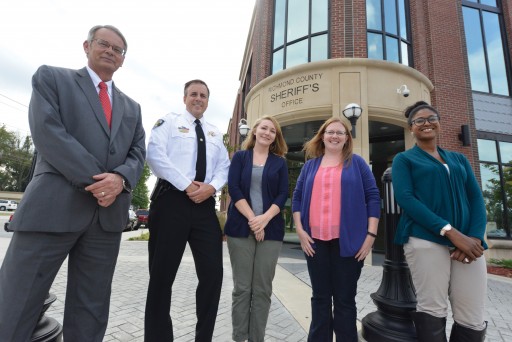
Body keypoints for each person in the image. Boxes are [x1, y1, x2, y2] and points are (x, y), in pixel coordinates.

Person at [0, 25, 146, 341]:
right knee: (16, 302)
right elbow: (49, 134)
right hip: (52, 209)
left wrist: (120, 179)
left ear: (122, 60)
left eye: (118, 49)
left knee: (91, 309)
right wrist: (102, 182)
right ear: (87, 46)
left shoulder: (132, 108)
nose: (110, 51)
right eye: (104, 44)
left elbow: (137, 153)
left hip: (104, 221)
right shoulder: (52, 79)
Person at [392, 101, 487, 342]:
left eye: (431, 118)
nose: (426, 123)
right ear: (411, 128)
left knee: (472, 315)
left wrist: (473, 238)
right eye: (419, 121)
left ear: (439, 123)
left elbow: (476, 198)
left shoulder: (459, 159)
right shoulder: (404, 159)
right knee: (432, 308)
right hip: (426, 241)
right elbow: (406, 198)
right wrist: (450, 232)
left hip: (467, 244)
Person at [145, 79, 230, 341]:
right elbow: (155, 155)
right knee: (162, 276)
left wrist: (211, 188)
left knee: (213, 275)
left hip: (204, 206)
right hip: (171, 202)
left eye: (203, 95)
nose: (198, 98)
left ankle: (203, 337)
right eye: (193, 94)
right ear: (184, 98)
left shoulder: (215, 133)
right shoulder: (168, 123)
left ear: (207, 101)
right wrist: (186, 185)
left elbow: (224, 167)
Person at [292, 117, 380, 342]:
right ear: (322, 135)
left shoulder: (357, 163)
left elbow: (373, 197)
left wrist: (371, 235)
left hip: (349, 242)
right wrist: (300, 231)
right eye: (330, 132)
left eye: (340, 133)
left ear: (347, 138)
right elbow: (297, 198)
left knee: (344, 299)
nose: (335, 136)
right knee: (320, 298)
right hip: (315, 242)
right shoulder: (311, 165)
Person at [224, 116, 289, 342]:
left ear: (275, 137)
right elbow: (233, 188)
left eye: (273, 130)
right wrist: (254, 220)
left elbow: (282, 195)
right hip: (240, 229)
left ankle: (256, 338)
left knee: (262, 289)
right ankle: (239, 337)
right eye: (264, 128)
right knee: (242, 289)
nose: (267, 132)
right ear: (254, 131)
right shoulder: (241, 157)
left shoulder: (279, 162)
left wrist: (265, 220)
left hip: (270, 231)